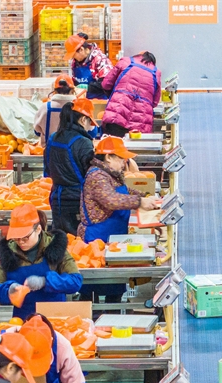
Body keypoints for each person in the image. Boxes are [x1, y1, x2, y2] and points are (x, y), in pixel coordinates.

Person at [77, 136, 159, 303]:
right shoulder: (97, 176)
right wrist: (140, 202)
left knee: (114, 286)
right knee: (93, 286)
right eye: (121, 159)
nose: (124, 163)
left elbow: (126, 190)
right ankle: (90, 319)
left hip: (113, 238)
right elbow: (112, 200)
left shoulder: (110, 174)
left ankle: (112, 314)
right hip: (97, 239)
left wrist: (148, 197)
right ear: (108, 157)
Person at [0, 203, 83, 319]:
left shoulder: (55, 248)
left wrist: (46, 281)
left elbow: (75, 281)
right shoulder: (9, 253)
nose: (20, 242)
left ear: (38, 229)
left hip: (54, 318)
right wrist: (9, 290)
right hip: (23, 320)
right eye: (16, 238)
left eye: (25, 237)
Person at [45, 98, 97, 234]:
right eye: (89, 122)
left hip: (57, 199)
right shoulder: (83, 143)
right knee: (78, 245)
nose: (89, 127)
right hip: (77, 200)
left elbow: (48, 170)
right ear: (82, 120)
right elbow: (92, 175)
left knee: (61, 241)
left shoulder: (53, 138)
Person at [101, 51, 162, 138]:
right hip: (141, 120)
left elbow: (106, 84)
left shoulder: (126, 61)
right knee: (135, 149)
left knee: (114, 147)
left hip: (118, 111)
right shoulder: (156, 73)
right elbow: (155, 102)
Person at [65, 33, 114, 99]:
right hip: (82, 101)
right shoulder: (75, 62)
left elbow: (108, 83)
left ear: (81, 50)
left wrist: (88, 87)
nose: (73, 58)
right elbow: (75, 81)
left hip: (100, 101)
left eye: (73, 55)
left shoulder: (100, 60)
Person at [34, 74, 77, 147]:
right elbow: (93, 132)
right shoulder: (80, 107)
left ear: (54, 91)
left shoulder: (45, 108)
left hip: (51, 154)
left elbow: (37, 132)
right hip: (75, 155)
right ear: (72, 90)